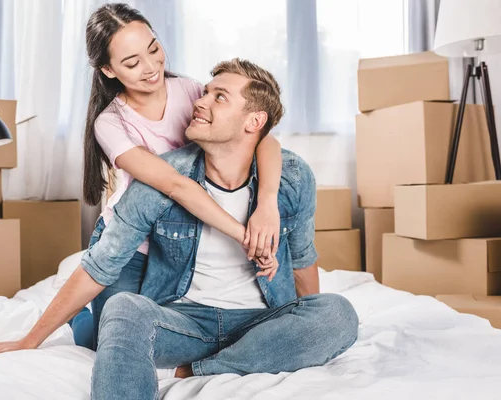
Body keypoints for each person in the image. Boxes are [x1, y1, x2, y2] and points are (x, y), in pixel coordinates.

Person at [0, 3, 282, 354]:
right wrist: (248, 239)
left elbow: (263, 137)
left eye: (153, 49)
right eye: (132, 63)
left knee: (164, 338)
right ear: (108, 69)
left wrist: (267, 202)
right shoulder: (111, 123)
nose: (151, 68)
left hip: (181, 237)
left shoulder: (194, 91)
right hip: (136, 242)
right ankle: (81, 319)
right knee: (109, 342)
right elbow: (177, 185)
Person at [84, 58, 359, 399]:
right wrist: (30, 339)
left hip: (262, 323)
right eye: (205, 93)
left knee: (338, 314)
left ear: (254, 121)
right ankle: (232, 359)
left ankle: (204, 368)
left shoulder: (292, 176)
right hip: (185, 323)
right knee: (123, 307)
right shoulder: (166, 174)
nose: (199, 102)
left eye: (219, 97)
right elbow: (101, 264)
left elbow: (302, 262)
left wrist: (304, 324)